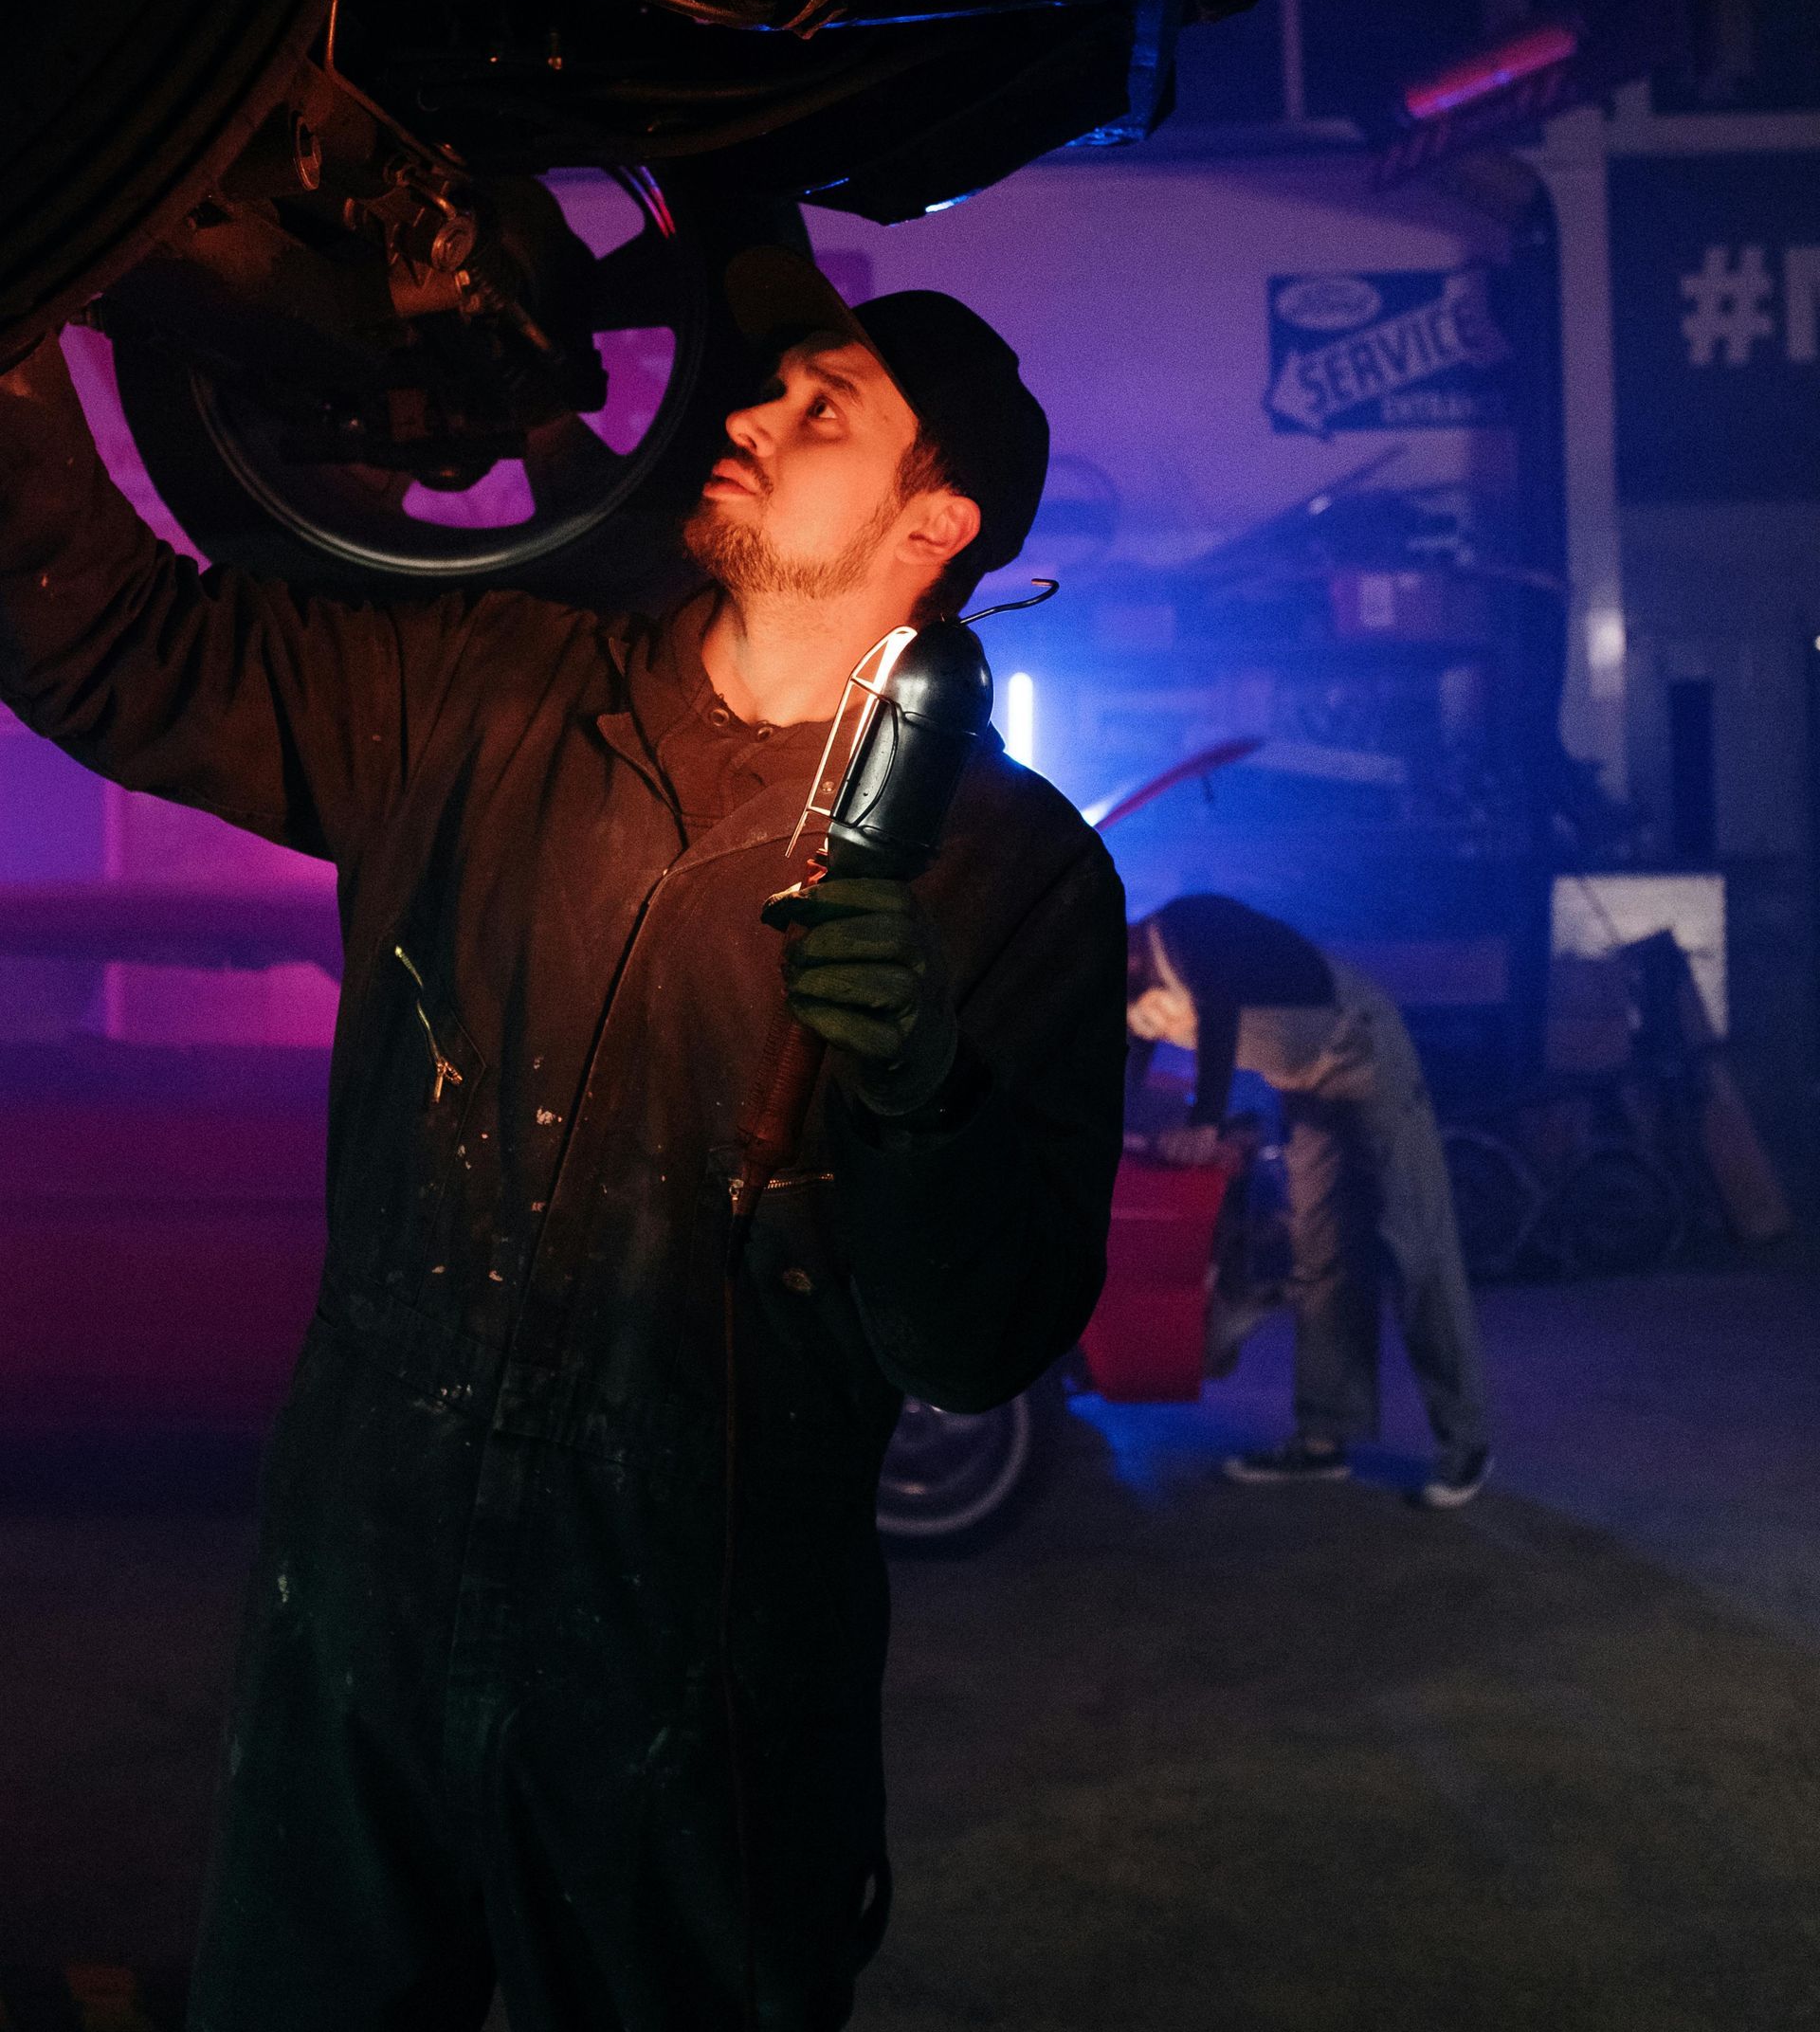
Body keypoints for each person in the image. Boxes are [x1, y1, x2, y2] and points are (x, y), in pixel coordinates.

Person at [0, 248, 1127, 2032]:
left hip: (702, 1671)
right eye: (778, 386)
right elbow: (118, 648)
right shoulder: (487, 699)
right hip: (359, 1608)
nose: (751, 408)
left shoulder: (1008, 876)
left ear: (938, 523)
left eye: (825, 410)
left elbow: (982, 1340)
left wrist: (930, 1098)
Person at [1127, 895, 1490, 1508]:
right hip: (1304, 1083)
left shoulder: (1188, 927)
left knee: (1415, 1244)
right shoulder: (1131, 989)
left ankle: (1466, 1443)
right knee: (1321, 1252)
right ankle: (1325, 1439)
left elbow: (1218, 1010)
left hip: (1363, 1048)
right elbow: (1129, 1071)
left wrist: (1206, 1122)